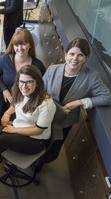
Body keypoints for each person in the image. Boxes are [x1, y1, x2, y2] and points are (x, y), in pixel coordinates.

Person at [40, 38, 111, 167]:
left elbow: (107, 97)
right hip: (44, 115)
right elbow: (40, 90)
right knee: (38, 142)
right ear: (65, 54)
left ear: (85, 59)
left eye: (80, 55)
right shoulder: (52, 70)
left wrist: (80, 102)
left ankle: (40, 165)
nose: (75, 58)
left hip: (64, 122)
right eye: (72, 54)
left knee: (51, 150)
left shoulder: (92, 76)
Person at [0, 65, 56, 176]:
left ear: (38, 82)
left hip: (35, 140)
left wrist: (13, 130)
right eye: (21, 82)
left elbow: (38, 131)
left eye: (29, 82)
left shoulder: (47, 105)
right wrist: (7, 113)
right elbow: (16, 104)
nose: (24, 86)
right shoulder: (21, 91)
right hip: (19, 127)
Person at [0, 29, 46, 125]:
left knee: (16, 126)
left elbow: (42, 86)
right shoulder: (5, 59)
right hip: (5, 101)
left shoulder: (37, 66)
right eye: (16, 45)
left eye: (24, 44)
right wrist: (4, 89)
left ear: (30, 45)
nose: (20, 48)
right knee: (0, 124)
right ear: (13, 46)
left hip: (25, 105)